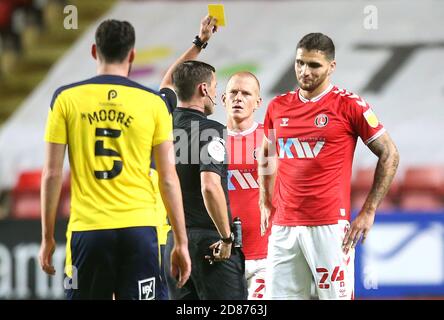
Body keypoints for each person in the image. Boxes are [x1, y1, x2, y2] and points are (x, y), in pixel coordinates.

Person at [39, 19, 191, 300]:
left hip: (89, 229)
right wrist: (181, 242)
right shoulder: (153, 103)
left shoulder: (65, 99)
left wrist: (47, 237)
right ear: (132, 55)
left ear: (94, 51)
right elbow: (168, 178)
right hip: (140, 229)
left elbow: (51, 174)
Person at [259, 33, 400, 300]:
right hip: (284, 226)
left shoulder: (348, 105)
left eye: (314, 65)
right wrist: (264, 199)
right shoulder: (277, 106)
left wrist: (369, 210)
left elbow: (390, 154)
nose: (305, 71)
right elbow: (265, 155)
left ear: (331, 67)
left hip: (328, 226)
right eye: (300, 63)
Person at [160, 15, 247, 300]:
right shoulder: (210, 130)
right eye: (215, 87)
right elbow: (209, 186)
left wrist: (200, 42)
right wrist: (226, 237)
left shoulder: (164, 119)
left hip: (176, 242)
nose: (216, 94)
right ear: (204, 89)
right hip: (210, 246)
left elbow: (168, 82)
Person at [222, 71, 271, 299]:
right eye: (233, 92)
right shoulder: (208, 141)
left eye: (245, 93)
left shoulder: (271, 139)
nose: (238, 98)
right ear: (223, 99)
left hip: (266, 254)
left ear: (258, 102)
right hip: (223, 254)